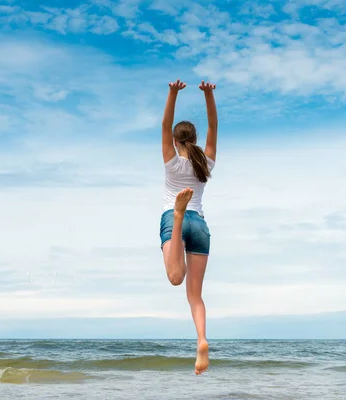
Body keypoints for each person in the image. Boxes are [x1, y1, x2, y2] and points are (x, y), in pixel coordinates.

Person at [159, 78, 217, 375]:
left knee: (174, 277)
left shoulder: (171, 162)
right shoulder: (205, 163)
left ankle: (178, 214)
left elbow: (165, 123)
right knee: (194, 295)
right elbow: (213, 128)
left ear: (175, 140)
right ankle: (202, 341)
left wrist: (172, 93)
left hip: (176, 215)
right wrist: (208, 96)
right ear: (194, 139)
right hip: (201, 226)